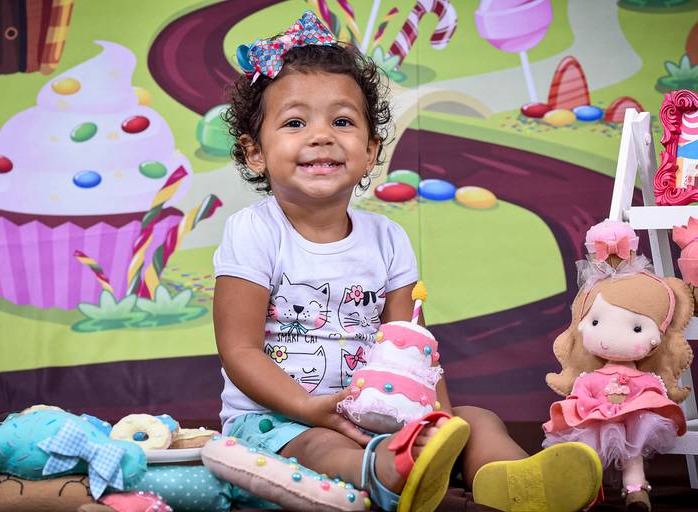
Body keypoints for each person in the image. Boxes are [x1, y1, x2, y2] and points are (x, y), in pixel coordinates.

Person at [213, 11, 602, 511]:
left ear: (370, 150)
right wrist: (310, 408)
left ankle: (517, 481)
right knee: (321, 447)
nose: (321, 135)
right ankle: (385, 474)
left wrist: (437, 422)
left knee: (476, 421)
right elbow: (240, 350)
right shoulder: (254, 231)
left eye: (342, 121)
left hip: (374, 410)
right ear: (255, 153)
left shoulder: (388, 238)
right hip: (280, 422)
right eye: (294, 122)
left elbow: (412, 348)